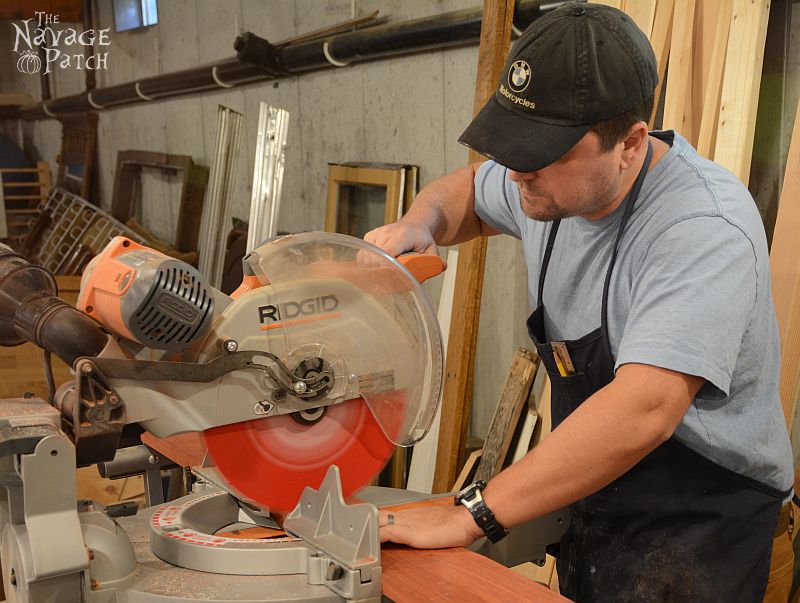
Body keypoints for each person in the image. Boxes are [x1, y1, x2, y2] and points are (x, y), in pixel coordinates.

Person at [365, 3, 795, 602]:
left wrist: (471, 514)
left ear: (630, 143)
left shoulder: (701, 225)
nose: (517, 174)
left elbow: (646, 407)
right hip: (599, 504)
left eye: (541, 154)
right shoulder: (546, 186)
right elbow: (466, 190)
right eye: (513, 149)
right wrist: (422, 223)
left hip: (706, 529)